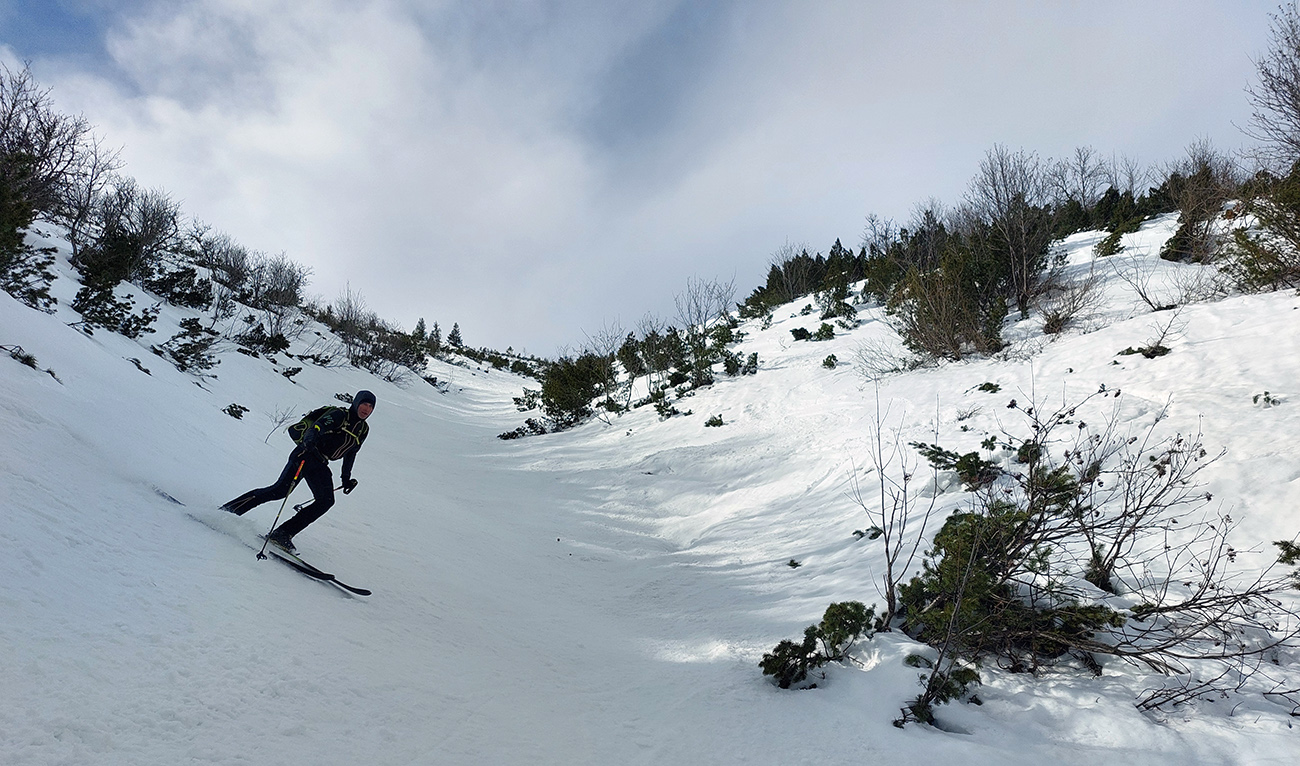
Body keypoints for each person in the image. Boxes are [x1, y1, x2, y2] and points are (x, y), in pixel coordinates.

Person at [221, 390, 376, 552]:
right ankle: (230, 510)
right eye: (364, 404)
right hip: (305, 454)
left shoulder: (363, 430)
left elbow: (351, 453)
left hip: (321, 462)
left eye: (371, 406)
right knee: (280, 491)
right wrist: (309, 440)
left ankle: (282, 534)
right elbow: (317, 427)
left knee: (326, 501)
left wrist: (345, 478)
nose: (367, 409)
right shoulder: (339, 415)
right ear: (356, 403)